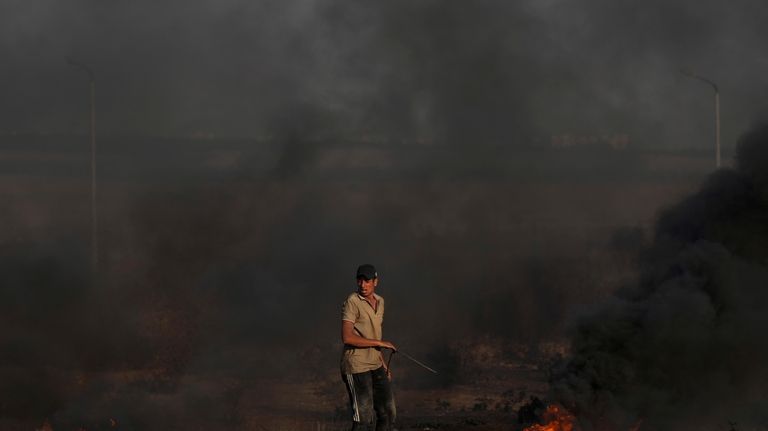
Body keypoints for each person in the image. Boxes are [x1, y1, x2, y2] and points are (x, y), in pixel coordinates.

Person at [340, 264, 397, 431]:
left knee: (388, 413)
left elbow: (373, 333)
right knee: (364, 419)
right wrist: (380, 343)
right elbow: (347, 337)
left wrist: (383, 363)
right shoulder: (352, 301)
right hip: (356, 366)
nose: (363, 285)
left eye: (367, 281)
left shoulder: (380, 301)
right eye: (360, 280)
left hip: (375, 364)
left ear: (376, 281)